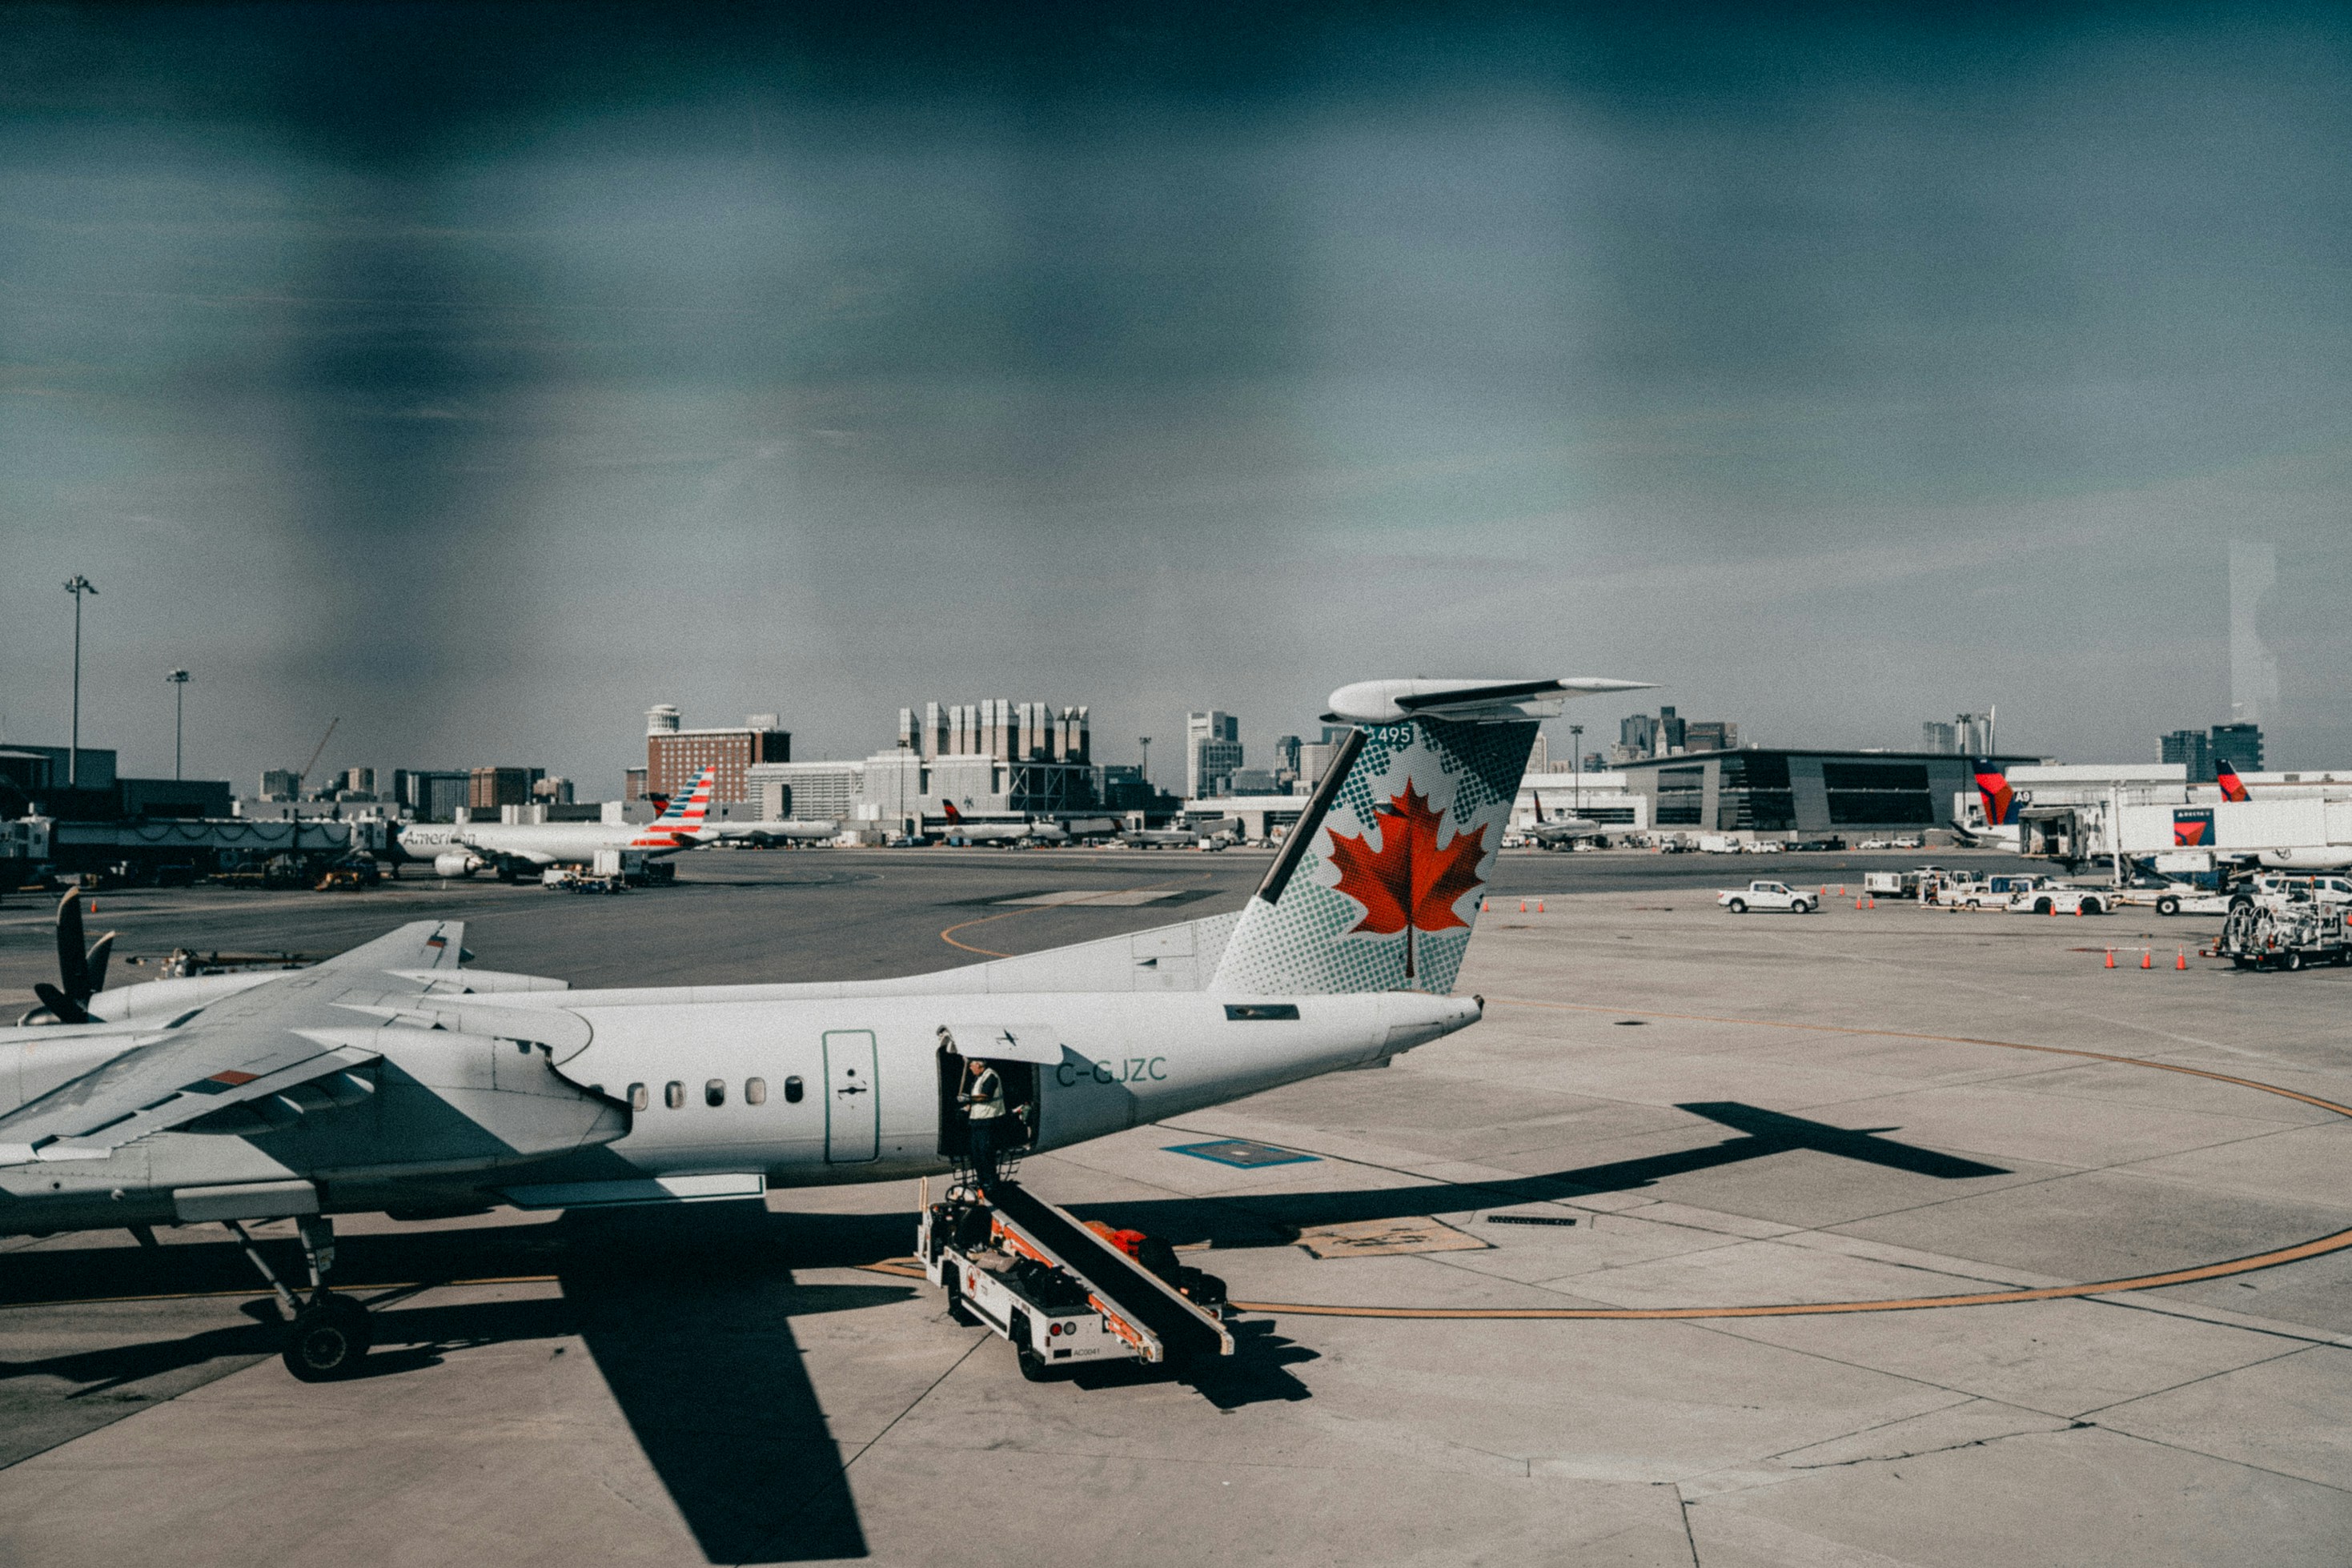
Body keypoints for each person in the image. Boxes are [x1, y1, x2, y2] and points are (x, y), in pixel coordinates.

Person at [959, 1057, 1008, 1193]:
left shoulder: (990, 1076)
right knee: (976, 1153)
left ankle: (991, 1183)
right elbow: (977, 1097)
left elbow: (986, 1096)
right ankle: (982, 1180)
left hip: (989, 1119)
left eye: (971, 1065)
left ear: (979, 1066)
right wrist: (967, 1107)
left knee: (986, 1153)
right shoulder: (979, 1077)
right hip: (977, 1119)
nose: (969, 1067)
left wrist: (968, 1098)